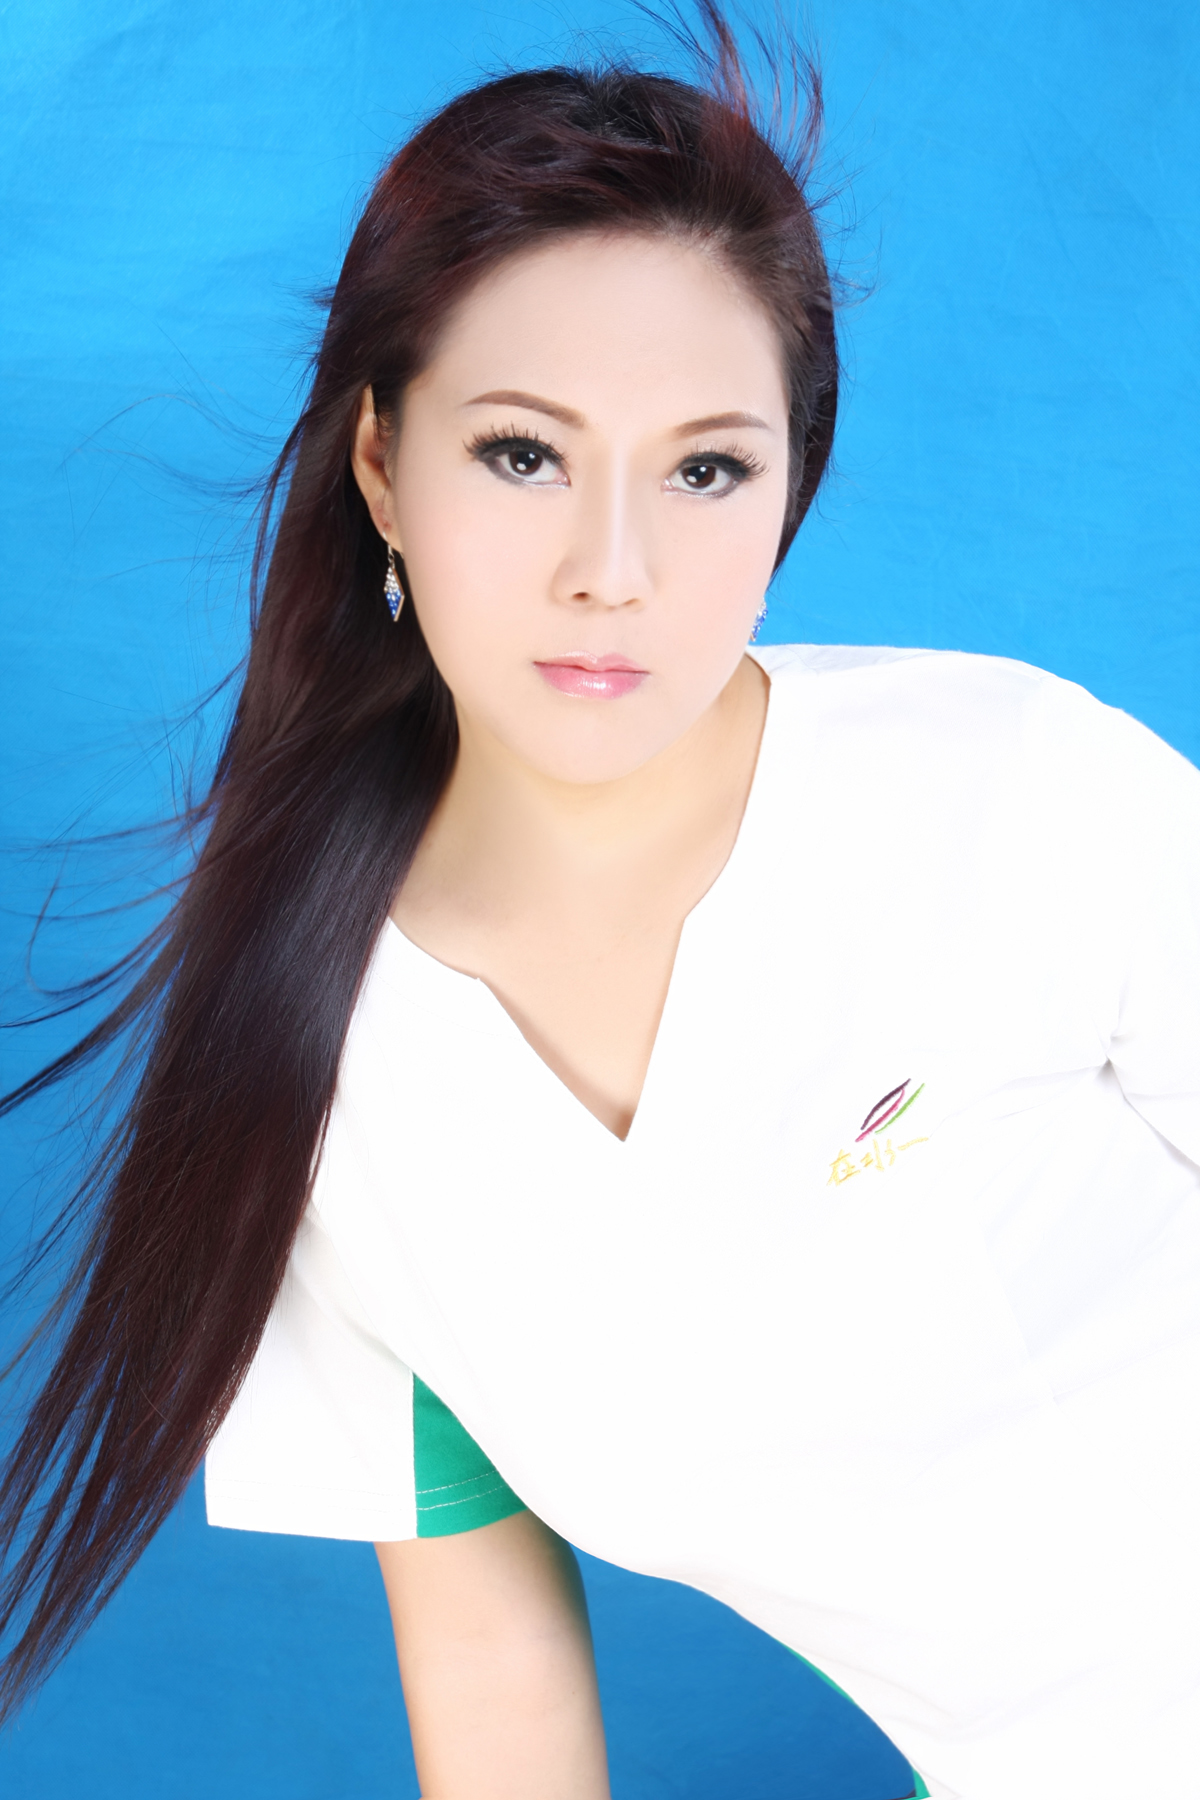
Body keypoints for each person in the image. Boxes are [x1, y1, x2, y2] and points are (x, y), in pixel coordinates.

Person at [2, 10, 1198, 1799]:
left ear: (789, 486)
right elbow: (496, 1686)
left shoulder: (1023, 794)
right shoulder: (301, 1059)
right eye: (522, 453)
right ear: (381, 464)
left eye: (705, 469)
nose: (612, 572)